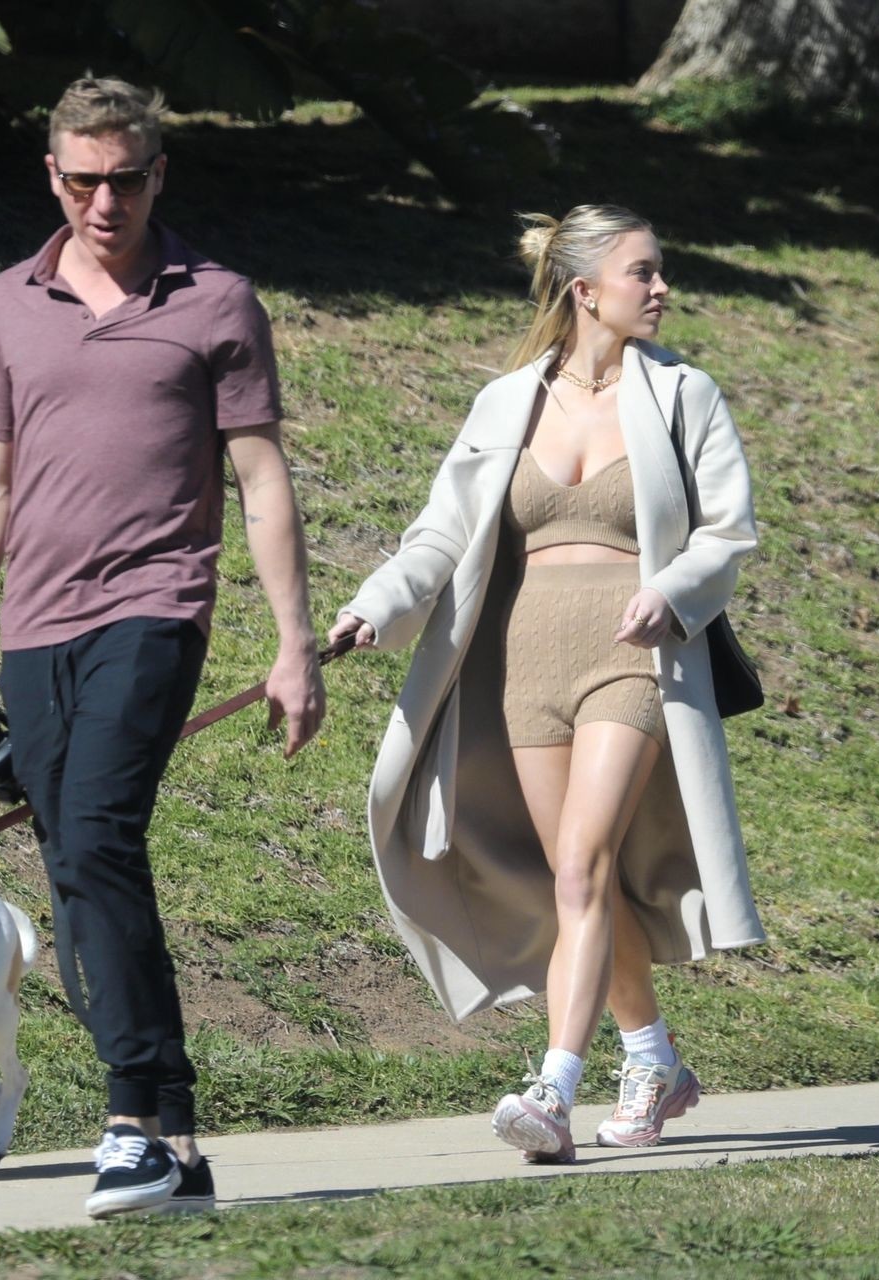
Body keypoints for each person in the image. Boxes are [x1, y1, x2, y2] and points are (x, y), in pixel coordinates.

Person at [0, 76, 326, 1218]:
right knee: (77, 865)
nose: (106, 203)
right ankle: (177, 1138)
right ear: (53, 176)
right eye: (85, 180)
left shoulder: (217, 301)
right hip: (37, 627)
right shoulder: (10, 302)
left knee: (96, 835)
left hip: (156, 607)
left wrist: (294, 645)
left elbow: (261, 480)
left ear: (159, 174)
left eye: (128, 180)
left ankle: (130, 1121)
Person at [327, 204, 762, 1163]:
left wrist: (670, 594)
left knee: (582, 864)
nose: (661, 288)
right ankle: (653, 1059)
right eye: (643, 272)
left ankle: (553, 1089)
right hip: (524, 666)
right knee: (577, 881)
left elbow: (727, 533)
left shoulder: (683, 393)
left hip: (631, 654)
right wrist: (375, 606)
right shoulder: (506, 403)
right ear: (584, 290)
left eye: (659, 271)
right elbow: (440, 534)